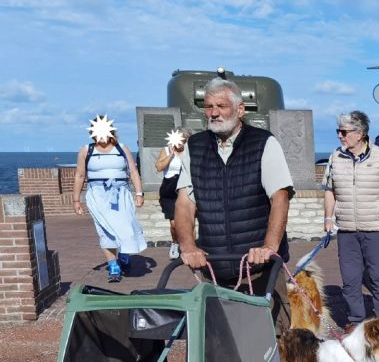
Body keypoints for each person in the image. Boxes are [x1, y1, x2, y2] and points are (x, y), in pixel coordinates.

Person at [174, 77, 295, 330]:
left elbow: (279, 198)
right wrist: (188, 246)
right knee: (220, 340)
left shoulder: (264, 143)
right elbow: (185, 203)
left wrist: (269, 247)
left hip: (259, 269)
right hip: (214, 267)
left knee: (270, 338)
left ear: (240, 110)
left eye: (221, 106)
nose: (214, 113)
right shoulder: (194, 147)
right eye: (209, 107)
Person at [324, 110, 379, 327]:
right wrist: (328, 218)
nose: (339, 135)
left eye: (343, 132)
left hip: (376, 229)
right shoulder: (335, 157)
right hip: (346, 230)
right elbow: (329, 190)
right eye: (338, 131)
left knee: (378, 278)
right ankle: (356, 322)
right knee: (350, 280)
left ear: (359, 134)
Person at [72, 115, 147, 283]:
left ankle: (124, 254)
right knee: (106, 231)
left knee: (126, 228)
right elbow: (80, 175)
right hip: (98, 195)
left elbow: (133, 172)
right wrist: (76, 200)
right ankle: (113, 265)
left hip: (121, 194)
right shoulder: (86, 150)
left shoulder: (122, 148)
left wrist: (139, 193)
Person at [154, 128, 189, 259]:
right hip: (169, 187)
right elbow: (159, 167)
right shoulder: (166, 150)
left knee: (187, 220)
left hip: (184, 186)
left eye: (182, 140)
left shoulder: (189, 151)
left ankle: (188, 246)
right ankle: (175, 243)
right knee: (174, 224)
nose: (179, 143)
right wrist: (171, 155)